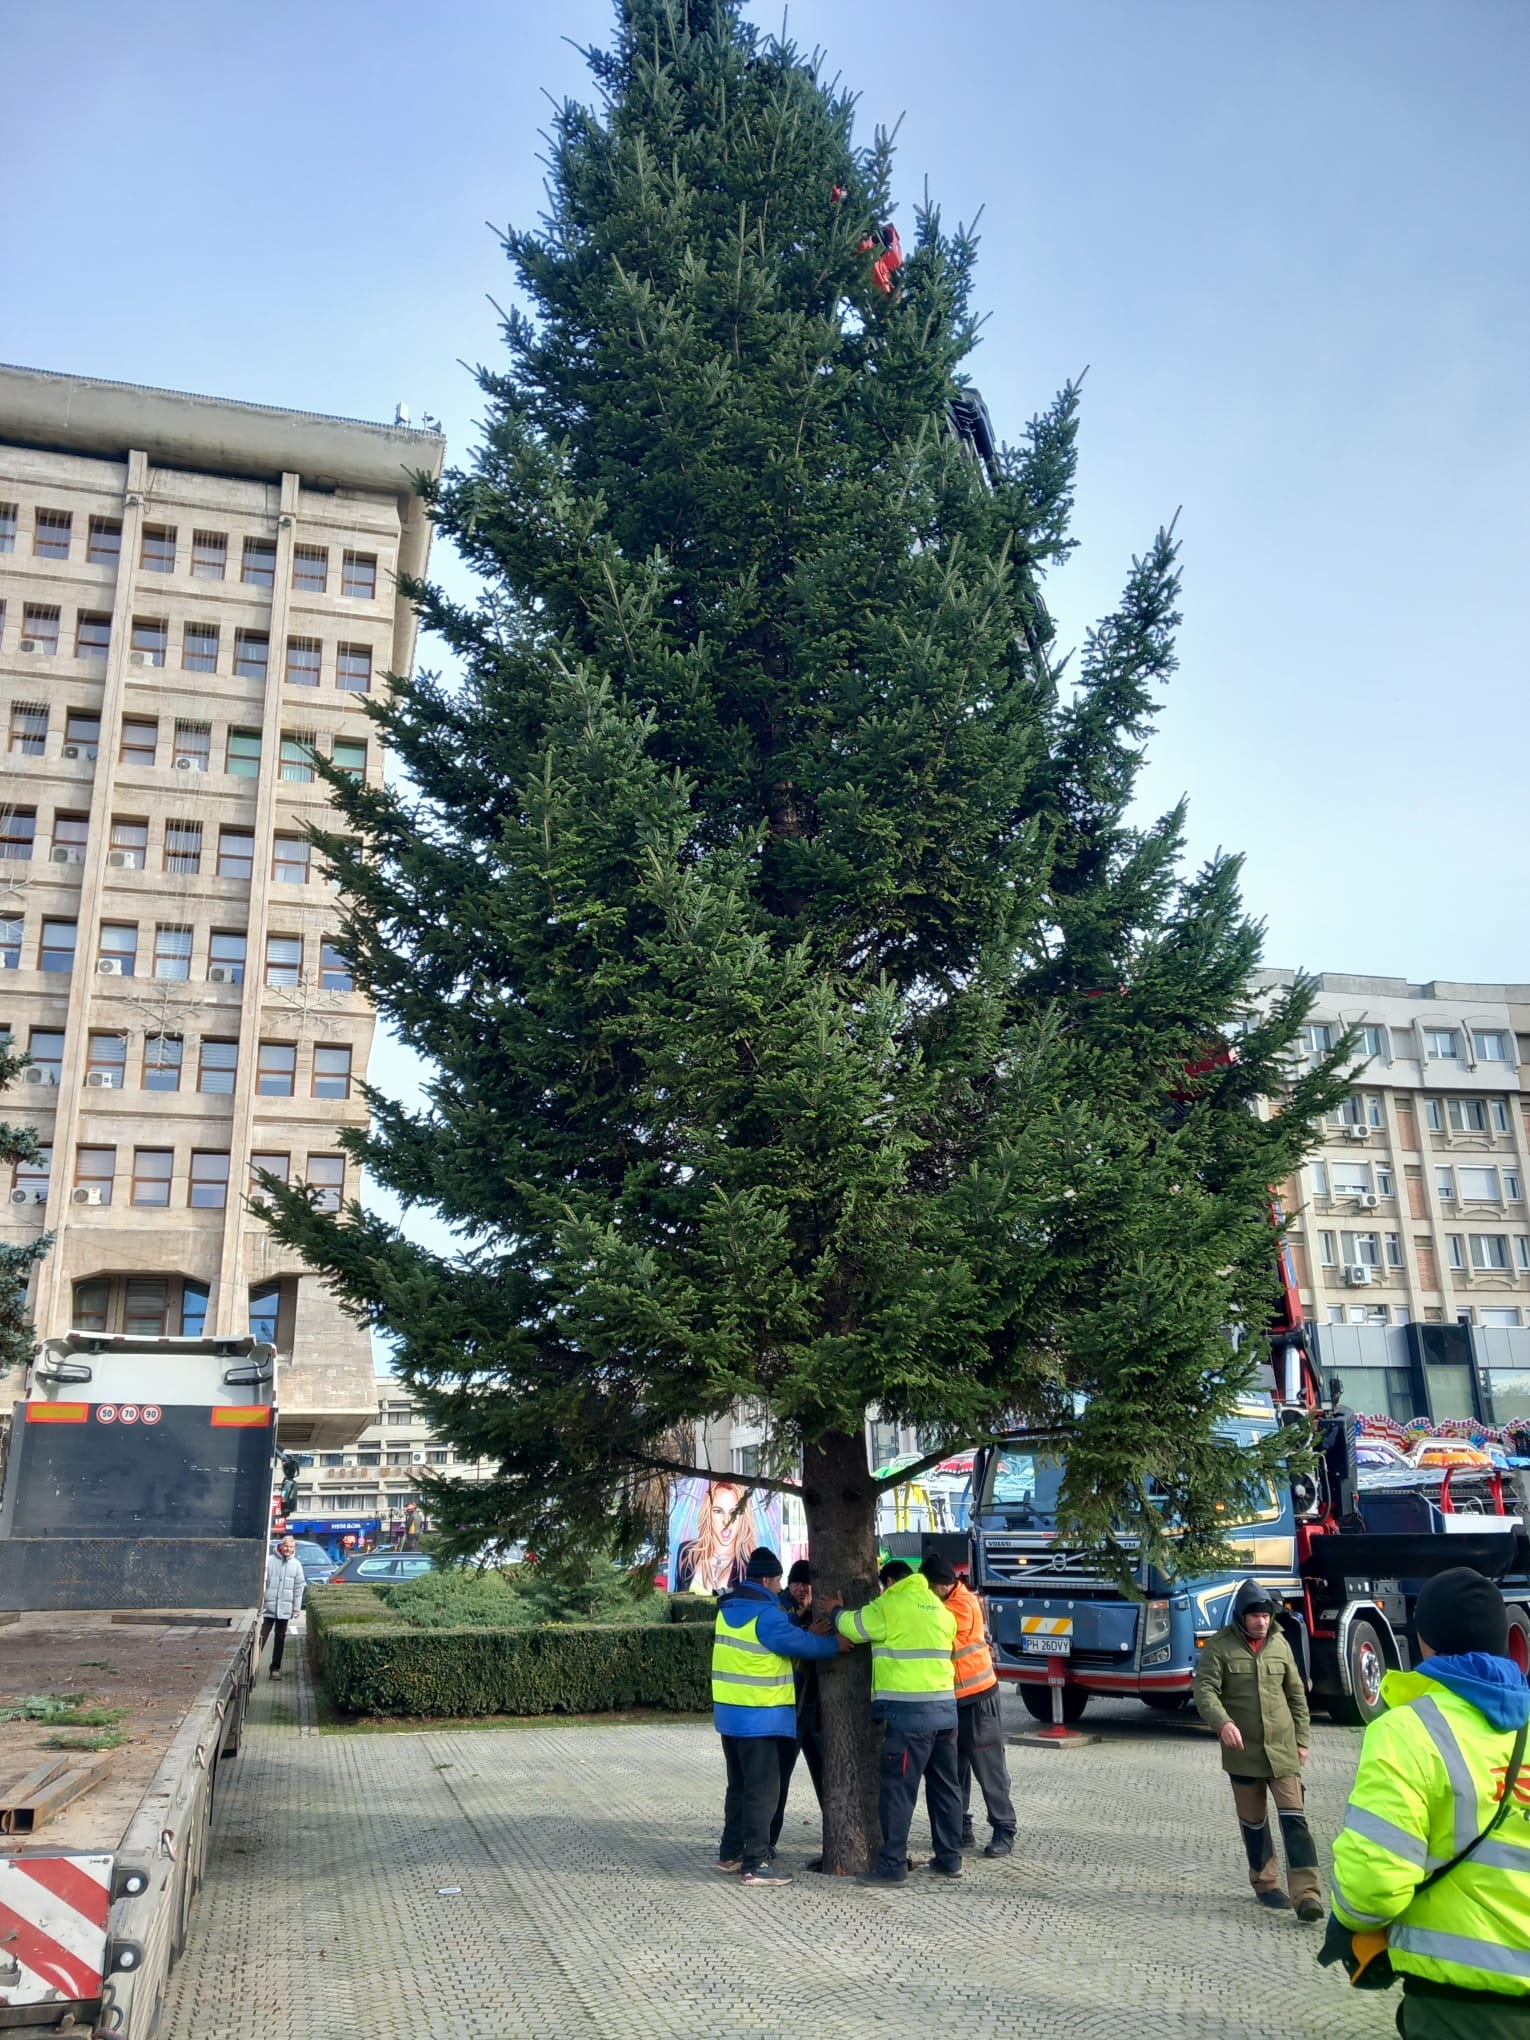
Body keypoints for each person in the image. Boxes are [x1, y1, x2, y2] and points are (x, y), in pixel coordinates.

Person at [1323, 1566, 1530, 2036]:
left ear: (1425, 1641)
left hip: (1462, 2010)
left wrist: (1349, 1922)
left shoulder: (1407, 1732)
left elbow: (1372, 1884)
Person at [1192, 1578, 1322, 1919]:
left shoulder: (1281, 1644)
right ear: (1241, 1616)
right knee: (1254, 1824)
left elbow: (1296, 1695)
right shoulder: (1220, 1647)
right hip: (1243, 1753)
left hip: (1283, 1752)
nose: (1262, 1621)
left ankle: (1307, 1895)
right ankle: (1265, 1884)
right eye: (1255, 1616)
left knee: (1295, 1821)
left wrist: (1303, 1740)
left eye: (1266, 1615)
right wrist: (1223, 1723)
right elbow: (1204, 1690)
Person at [712, 1547, 842, 1886]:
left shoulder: (727, 1610)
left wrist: (801, 1630)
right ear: (769, 1579)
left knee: (738, 1787)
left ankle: (730, 1854)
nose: (780, 1586)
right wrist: (834, 1645)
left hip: (730, 1717)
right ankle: (755, 1864)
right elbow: (805, 1647)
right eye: (780, 1580)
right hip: (760, 1719)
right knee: (763, 1792)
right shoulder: (767, 1616)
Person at [836, 1558, 964, 1886]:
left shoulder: (891, 1603)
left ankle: (892, 1866)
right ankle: (950, 1859)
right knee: (946, 1788)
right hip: (946, 1714)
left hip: (909, 1718)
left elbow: (855, 1627)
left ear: (889, 1582)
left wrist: (837, 1612)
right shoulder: (939, 1610)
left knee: (898, 1791)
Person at [921, 1551, 1016, 1858]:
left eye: (927, 1586)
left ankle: (1004, 1828)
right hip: (953, 1700)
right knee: (954, 1769)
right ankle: (960, 1827)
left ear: (941, 1584)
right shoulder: (946, 1601)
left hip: (978, 1698)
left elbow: (937, 1636)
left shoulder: (961, 1605)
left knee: (988, 1768)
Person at [782, 1559, 826, 1807]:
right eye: (796, 1583)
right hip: (791, 1709)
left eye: (806, 1583)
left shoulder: (818, 1612)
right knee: (781, 1775)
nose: (801, 1588)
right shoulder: (782, 1610)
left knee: (825, 1776)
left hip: (816, 1708)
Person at [679, 1480, 761, 1596]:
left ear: (744, 1517)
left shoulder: (750, 1565)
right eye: (718, 1511)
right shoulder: (688, 1553)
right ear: (708, 1513)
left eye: (734, 1512)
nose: (727, 1521)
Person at [262, 1535, 306, 1680]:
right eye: (286, 1546)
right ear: (281, 1546)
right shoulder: (269, 1561)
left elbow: (299, 1587)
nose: (288, 1549)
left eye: (291, 1547)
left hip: (285, 1610)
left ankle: (275, 1669)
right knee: (261, 1638)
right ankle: (252, 1665)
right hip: (267, 1608)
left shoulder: (297, 1565)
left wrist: (296, 1608)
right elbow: (261, 1582)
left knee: (280, 1640)